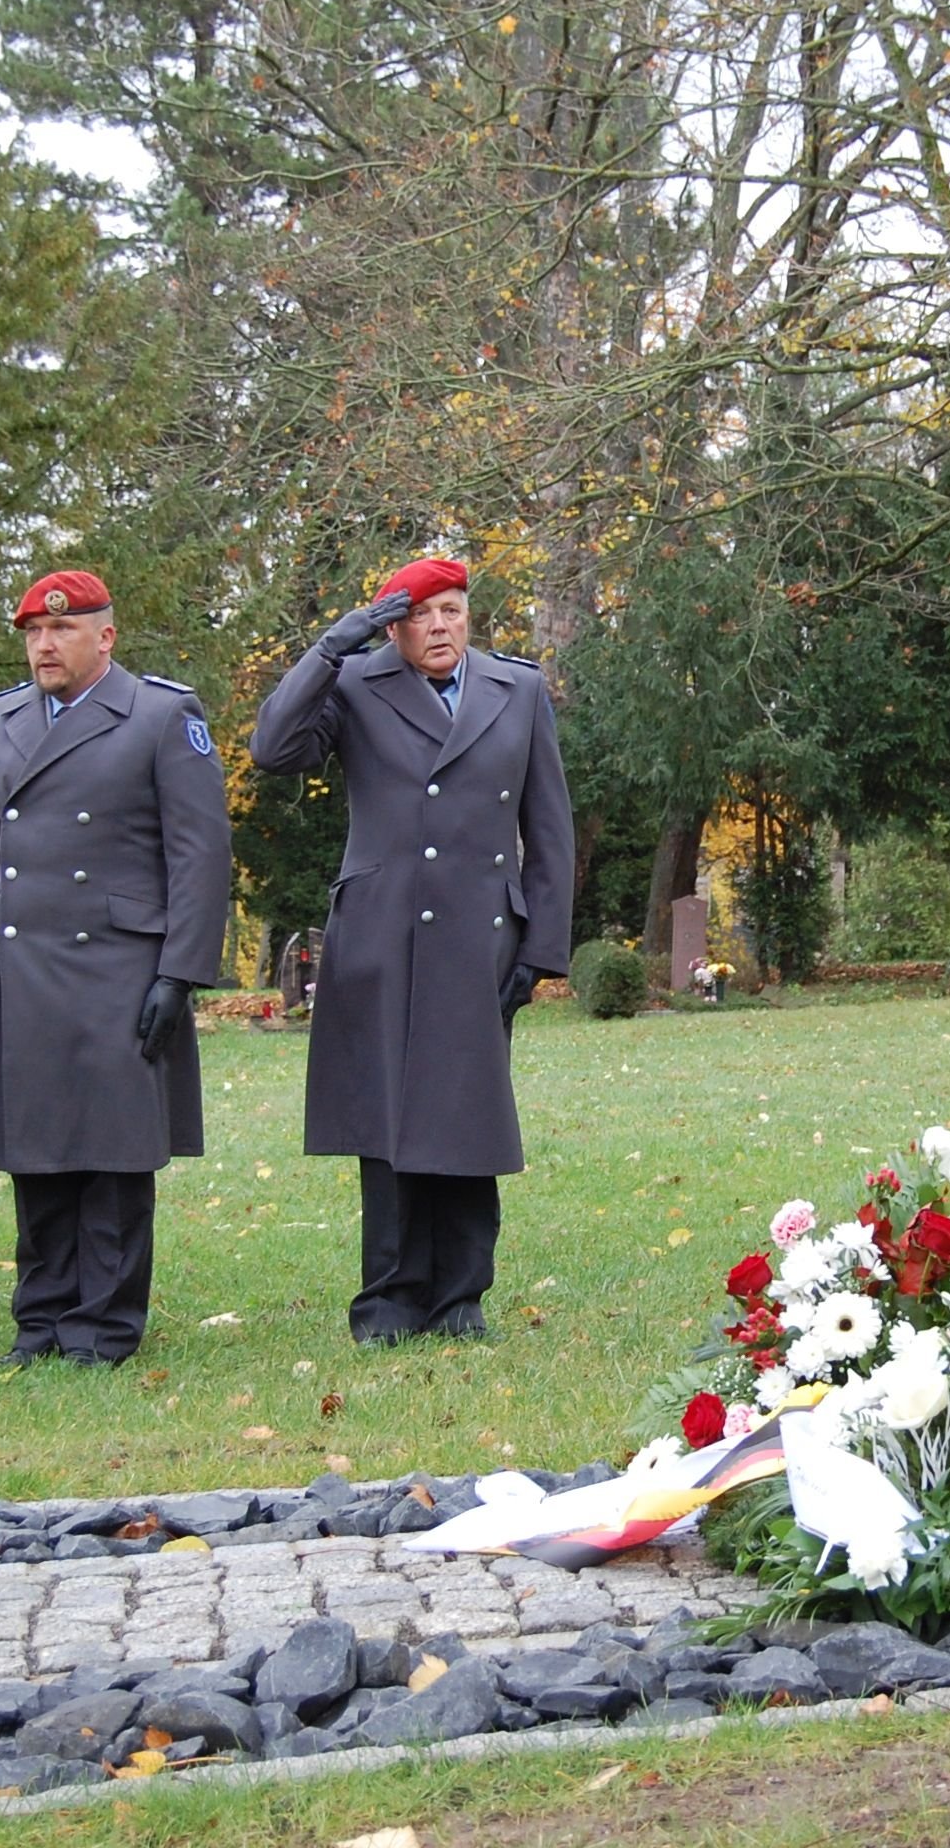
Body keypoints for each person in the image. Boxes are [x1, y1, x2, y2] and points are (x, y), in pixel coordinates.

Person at [249, 557, 575, 1344]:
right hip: (383, 931)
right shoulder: (358, 683)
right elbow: (272, 747)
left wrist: (541, 949)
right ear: (393, 626)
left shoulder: (518, 689)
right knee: (388, 1121)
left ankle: (461, 1297)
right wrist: (331, 649)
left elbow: (550, 825)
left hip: (479, 935)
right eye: (422, 614)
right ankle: (390, 1302)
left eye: (453, 611)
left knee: (467, 1115)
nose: (440, 627)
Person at [0, 570, 232, 1368]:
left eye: (62, 631)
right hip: (22, 963)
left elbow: (200, 854)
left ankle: (101, 1330)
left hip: (118, 967)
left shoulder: (158, 715)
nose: (45, 644)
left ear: (105, 637)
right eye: (34, 632)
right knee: (33, 1154)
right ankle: (38, 1327)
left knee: (109, 1158)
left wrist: (179, 974)